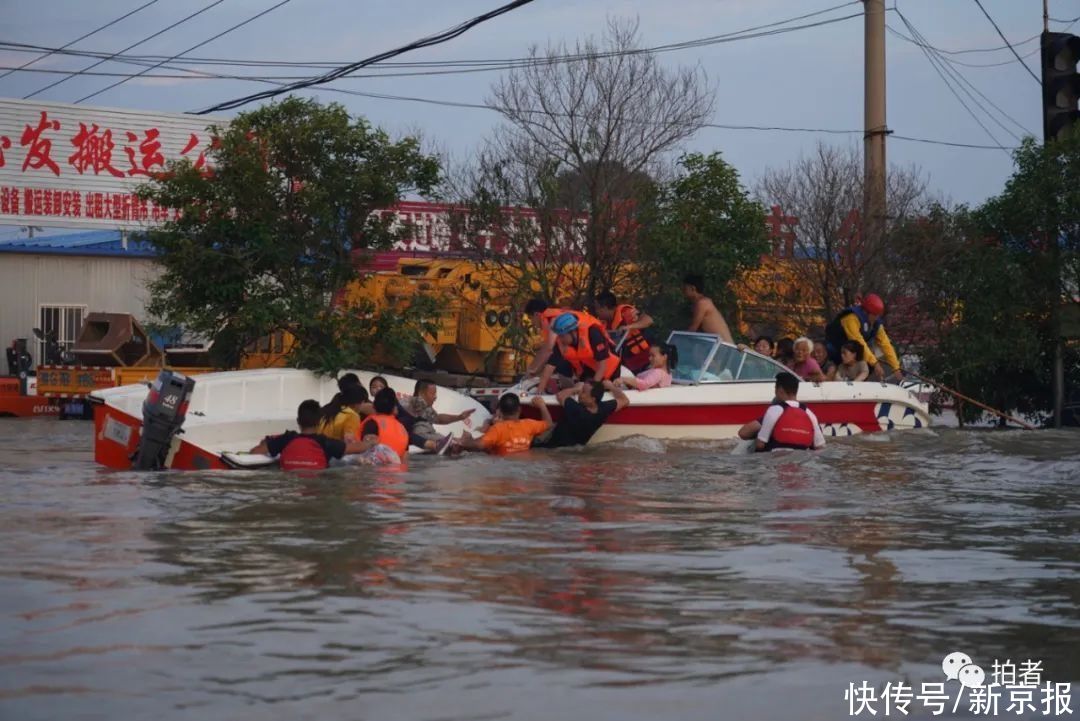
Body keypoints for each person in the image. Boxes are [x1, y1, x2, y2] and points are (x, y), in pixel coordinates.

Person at [250, 400, 364, 470]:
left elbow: (255, 452)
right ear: (319, 421)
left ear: (298, 421)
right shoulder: (325, 443)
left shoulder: (286, 439)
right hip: (318, 482)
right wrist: (371, 442)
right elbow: (356, 448)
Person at [737, 372, 826, 452]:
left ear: (780, 390)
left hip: (775, 462)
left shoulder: (775, 410)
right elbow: (820, 447)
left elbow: (749, 437)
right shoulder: (810, 414)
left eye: (775, 388)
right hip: (801, 463)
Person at [535, 311, 620, 394]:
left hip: (609, 372)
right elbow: (550, 366)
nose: (560, 339)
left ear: (572, 332)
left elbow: (602, 366)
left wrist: (591, 389)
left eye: (562, 336)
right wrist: (539, 390)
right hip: (590, 370)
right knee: (579, 387)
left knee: (590, 392)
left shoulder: (593, 333)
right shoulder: (562, 343)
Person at [824, 293, 902, 381]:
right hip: (833, 349)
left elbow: (886, 344)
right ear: (866, 312)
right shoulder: (851, 319)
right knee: (865, 361)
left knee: (866, 364)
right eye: (875, 315)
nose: (876, 318)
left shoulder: (876, 324)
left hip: (849, 353)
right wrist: (875, 363)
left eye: (878, 315)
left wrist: (896, 367)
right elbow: (859, 342)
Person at [456, 392, 553, 456]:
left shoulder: (497, 429)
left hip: (501, 466)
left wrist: (463, 443)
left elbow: (479, 445)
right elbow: (549, 423)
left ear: (500, 411)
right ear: (519, 410)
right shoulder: (529, 425)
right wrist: (542, 405)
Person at [541, 379, 629, 448]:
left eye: (583, 392)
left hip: (551, 448)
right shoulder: (603, 409)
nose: (580, 394)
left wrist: (576, 389)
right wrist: (611, 386)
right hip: (573, 450)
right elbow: (624, 400)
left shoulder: (576, 409)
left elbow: (561, 395)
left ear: (592, 399)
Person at [404, 379, 473, 454]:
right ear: (421, 394)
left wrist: (460, 417)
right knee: (454, 443)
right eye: (432, 393)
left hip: (427, 435)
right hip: (419, 436)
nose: (435, 397)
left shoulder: (423, 406)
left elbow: (438, 419)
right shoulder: (416, 402)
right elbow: (438, 419)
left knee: (454, 442)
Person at [593, 290, 653, 374]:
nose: (596, 311)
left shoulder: (625, 312)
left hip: (644, 362)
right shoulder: (604, 323)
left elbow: (648, 320)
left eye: (597, 308)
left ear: (605, 308)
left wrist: (628, 326)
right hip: (628, 366)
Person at [351, 387, 410, 465]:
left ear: (374, 406)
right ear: (394, 408)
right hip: (397, 473)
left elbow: (366, 453)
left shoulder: (372, 423)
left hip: (373, 471)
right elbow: (405, 461)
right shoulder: (403, 429)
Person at [523, 298, 570, 378]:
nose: (532, 322)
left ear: (536, 314)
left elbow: (548, 349)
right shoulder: (554, 317)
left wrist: (531, 369)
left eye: (531, 318)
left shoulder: (551, 321)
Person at [683, 273, 733, 343]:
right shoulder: (698, 303)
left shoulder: (702, 303)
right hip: (717, 344)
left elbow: (693, 329)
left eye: (685, 288)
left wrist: (680, 340)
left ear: (693, 288)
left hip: (723, 346)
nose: (683, 291)